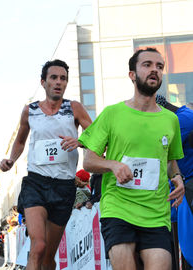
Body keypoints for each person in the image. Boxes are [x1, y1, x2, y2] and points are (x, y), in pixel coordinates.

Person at [78, 47, 185, 270]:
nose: (154, 70)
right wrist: (113, 165)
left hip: (156, 213)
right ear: (132, 75)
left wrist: (177, 177)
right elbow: (88, 161)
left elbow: (169, 161)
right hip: (119, 209)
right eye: (147, 65)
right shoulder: (112, 113)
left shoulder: (170, 120)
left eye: (159, 66)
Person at [0, 59, 92, 270]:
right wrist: (10, 160)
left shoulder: (74, 108)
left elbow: (95, 135)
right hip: (36, 183)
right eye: (54, 78)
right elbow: (21, 141)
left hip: (64, 186)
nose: (59, 82)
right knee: (38, 246)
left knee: (49, 255)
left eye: (63, 78)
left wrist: (79, 141)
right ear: (43, 82)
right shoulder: (30, 110)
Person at [156, 94, 193, 269]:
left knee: (188, 247)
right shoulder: (179, 117)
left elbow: (159, 150)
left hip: (188, 187)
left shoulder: (183, 119)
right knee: (179, 244)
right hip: (179, 188)